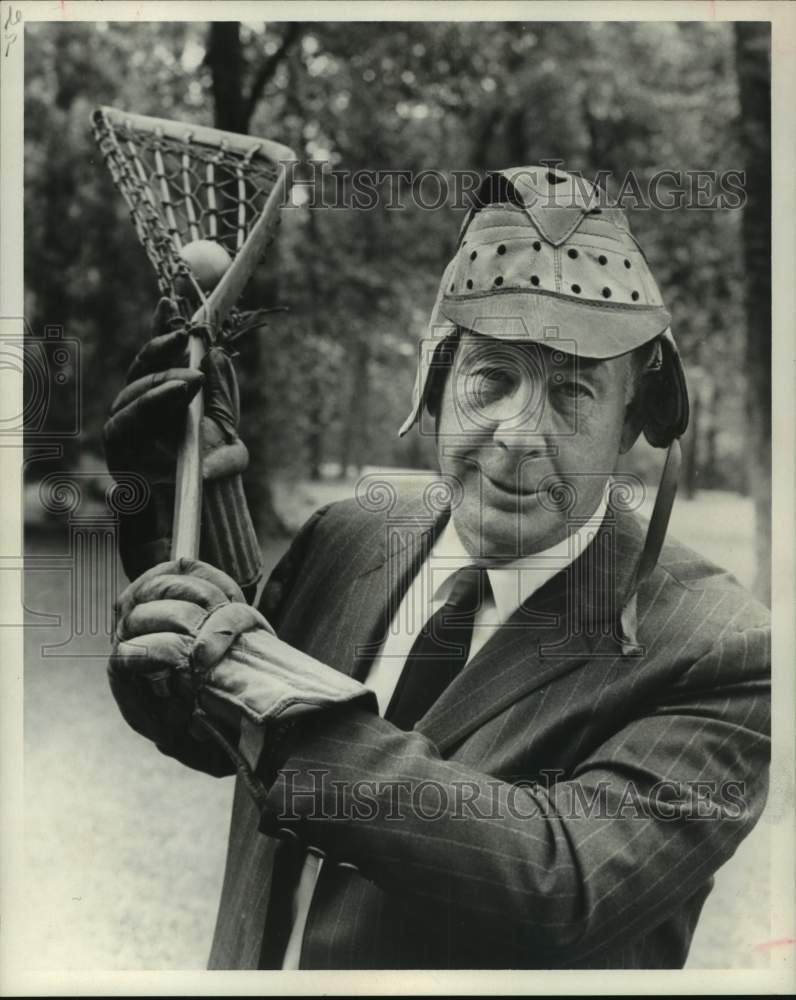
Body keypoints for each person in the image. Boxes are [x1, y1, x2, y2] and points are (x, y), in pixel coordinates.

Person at [104, 166, 771, 970]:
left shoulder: (716, 649)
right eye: (492, 378)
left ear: (632, 419)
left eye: (571, 393)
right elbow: (225, 741)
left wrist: (264, 682)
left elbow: (560, 887)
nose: (519, 434)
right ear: (437, 382)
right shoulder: (350, 538)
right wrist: (162, 533)